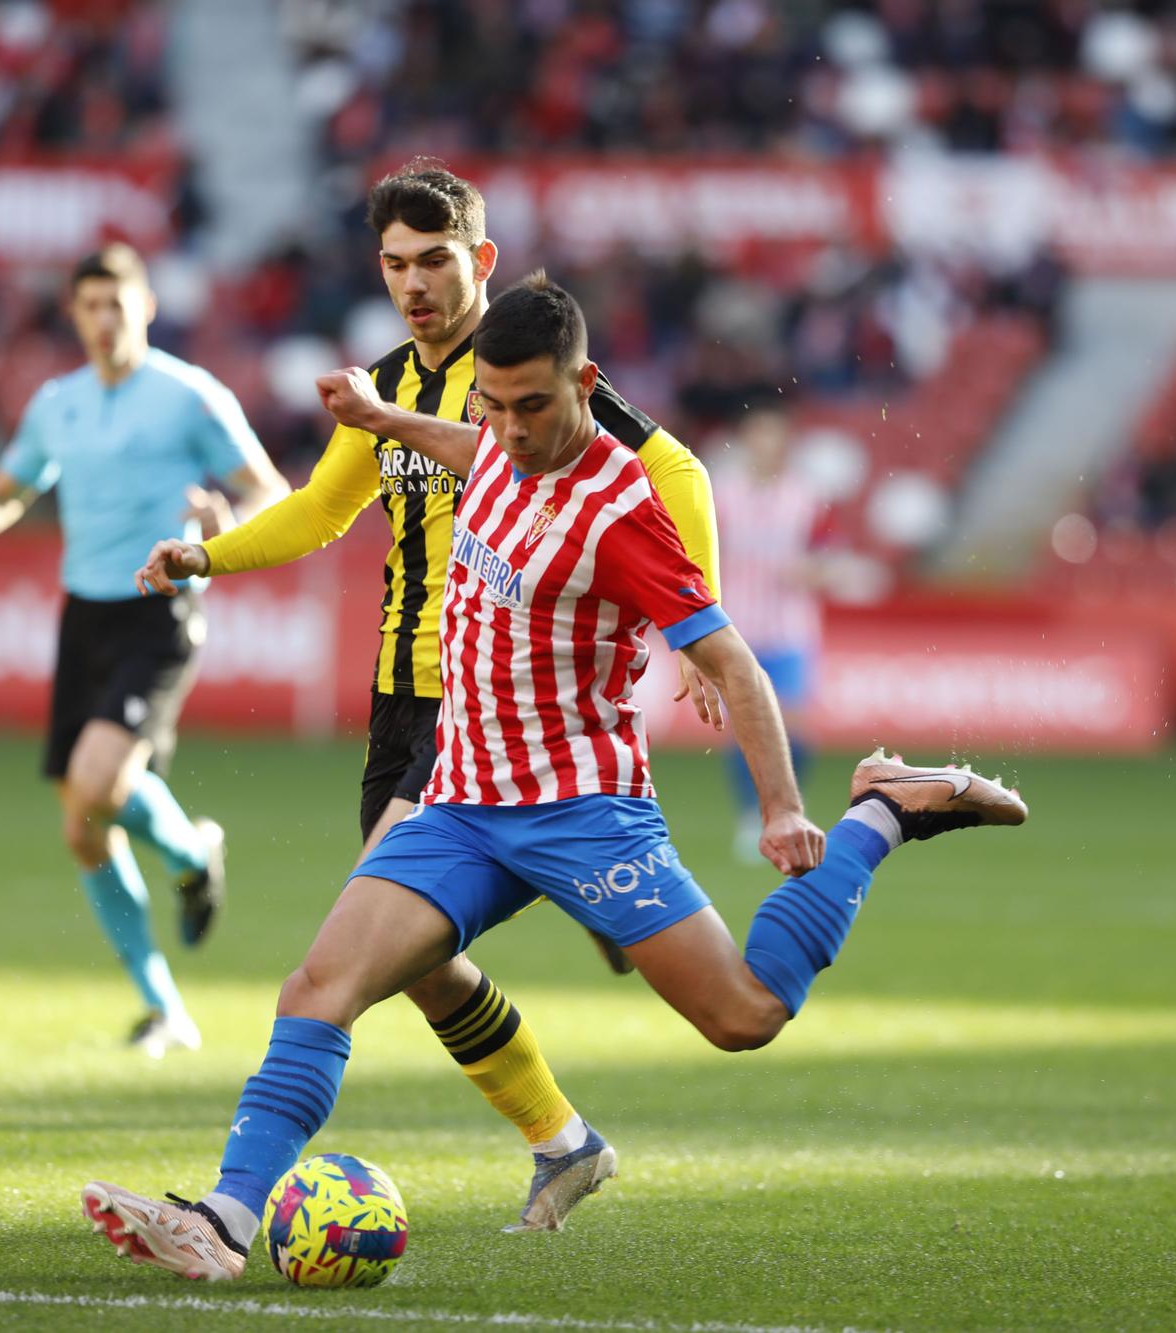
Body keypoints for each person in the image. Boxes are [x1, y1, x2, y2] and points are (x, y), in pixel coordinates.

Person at [83, 276, 1026, 1281]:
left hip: (584, 811)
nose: (513, 430)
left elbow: (733, 663)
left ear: (584, 382)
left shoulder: (621, 512)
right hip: (459, 801)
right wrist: (380, 417)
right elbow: (470, 450)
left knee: (744, 1015)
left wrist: (786, 808)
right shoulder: (494, 435)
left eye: (535, 406)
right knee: (319, 986)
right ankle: (225, 1221)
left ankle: (880, 811)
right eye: (495, 404)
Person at [129, 160, 724, 1230]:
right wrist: (206, 555)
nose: (412, 283)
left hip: (490, 710)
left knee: (338, 965)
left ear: (480, 262)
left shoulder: (525, 378)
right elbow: (317, 513)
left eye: (433, 260)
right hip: (401, 703)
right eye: (394, 264)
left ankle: (228, 1207)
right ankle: (564, 1140)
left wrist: (698, 624)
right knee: (418, 964)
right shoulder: (383, 388)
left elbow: (676, 471)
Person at [0, 244, 288, 1058]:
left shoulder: (188, 396)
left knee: (98, 784)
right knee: (84, 829)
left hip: (162, 606)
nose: (107, 319)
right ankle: (166, 1004)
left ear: (145, 307)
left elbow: (270, 489)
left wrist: (228, 525)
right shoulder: (58, 403)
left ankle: (192, 852)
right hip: (86, 616)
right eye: (91, 305)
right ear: (74, 314)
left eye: (120, 303)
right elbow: (9, 491)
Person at [712, 405, 831, 861]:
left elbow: (828, 554)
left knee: (796, 725)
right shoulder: (723, 494)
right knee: (743, 728)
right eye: (757, 436)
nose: (765, 446)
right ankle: (752, 815)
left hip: (790, 630)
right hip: (737, 628)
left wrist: (814, 571)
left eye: (773, 437)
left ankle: (790, 808)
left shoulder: (806, 497)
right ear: (746, 442)